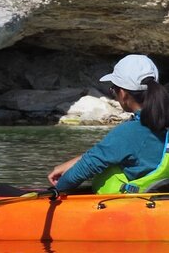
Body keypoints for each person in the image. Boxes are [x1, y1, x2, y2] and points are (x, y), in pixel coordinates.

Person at [48, 54, 169, 194]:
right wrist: (71, 164)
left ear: (123, 94)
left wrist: (56, 190)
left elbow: (85, 168)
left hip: (125, 208)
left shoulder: (129, 132)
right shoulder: (161, 125)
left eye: (113, 89)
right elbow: (107, 152)